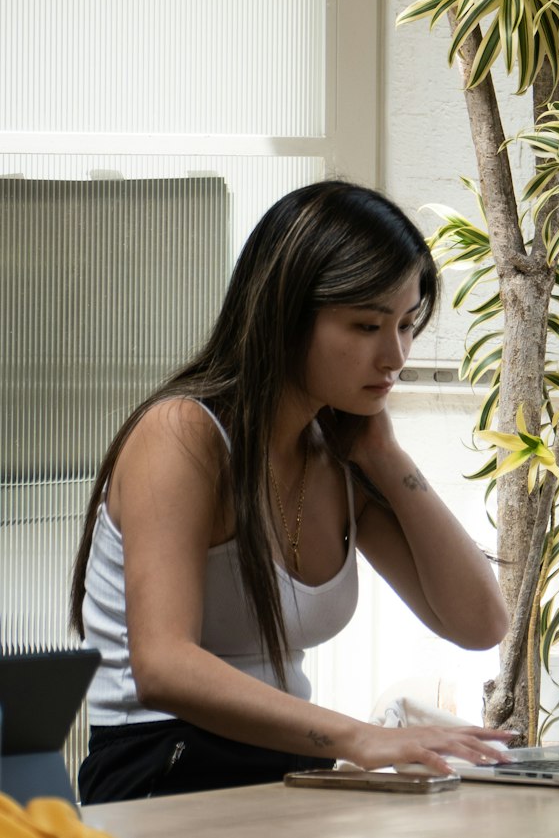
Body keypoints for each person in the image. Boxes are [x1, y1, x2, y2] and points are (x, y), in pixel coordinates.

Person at [70, 180, 511, 802]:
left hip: (284, 772)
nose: (395, 356)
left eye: (407, 325)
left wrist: (385, 455)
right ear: (286, 313)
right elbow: (162, 664)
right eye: (366, 325)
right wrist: (359, 737)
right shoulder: (184, 433)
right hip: (161, 767)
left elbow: (479, 622)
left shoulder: (339, 455)